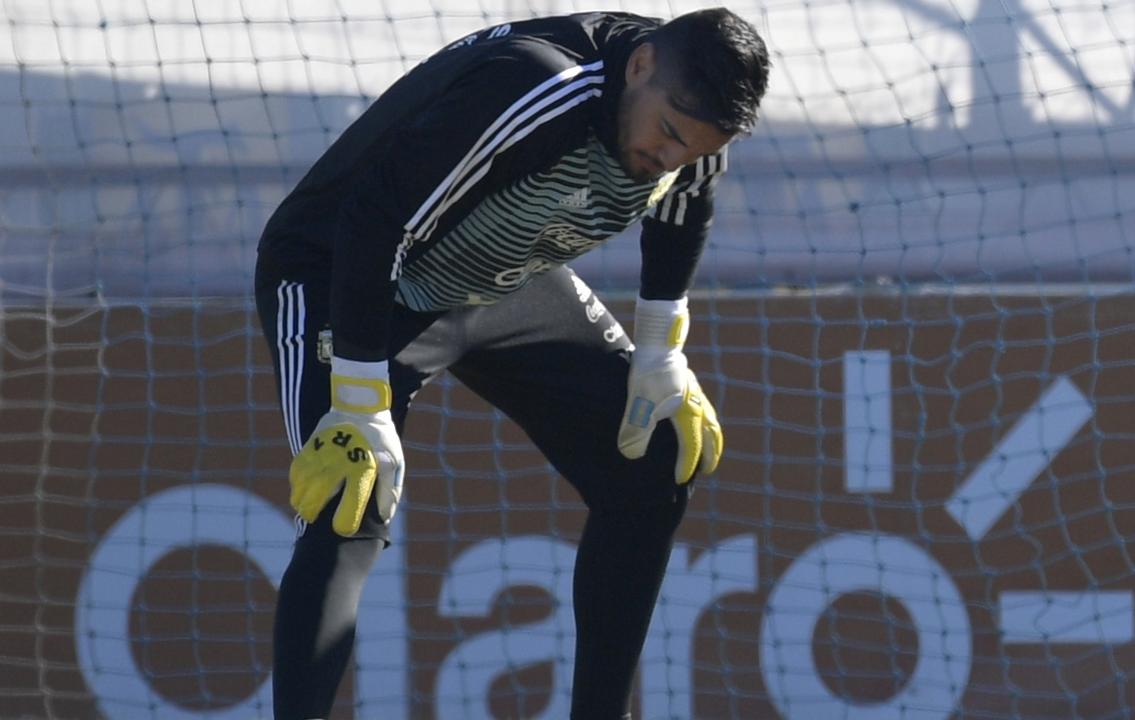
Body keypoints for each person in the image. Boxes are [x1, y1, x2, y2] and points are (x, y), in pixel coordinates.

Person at [253, 7, 769, 719]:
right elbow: (371, 219)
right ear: (640, 65)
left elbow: (687, 203)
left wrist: (659, 348)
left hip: (492, 275)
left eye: (692, 149)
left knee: (656, 457)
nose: (670, 157)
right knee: (351, 497)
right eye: (669, 136)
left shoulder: (694, 119)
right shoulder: (538, 86)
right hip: (348, 272)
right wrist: (360, 400)